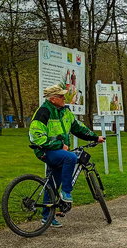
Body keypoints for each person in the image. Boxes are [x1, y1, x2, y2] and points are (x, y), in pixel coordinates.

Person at [29, 84, 105, 227]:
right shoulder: (43, 112)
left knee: (52, 184)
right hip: (45, 150)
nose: (64, 98)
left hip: (58, 151)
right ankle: (66, 193)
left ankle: (47, 217)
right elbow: (36, 137)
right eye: (61, 96)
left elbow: (77, 128)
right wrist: (58, 145)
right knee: (70, 157)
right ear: (52, 99)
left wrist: (95, 138)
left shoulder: (65, 111)